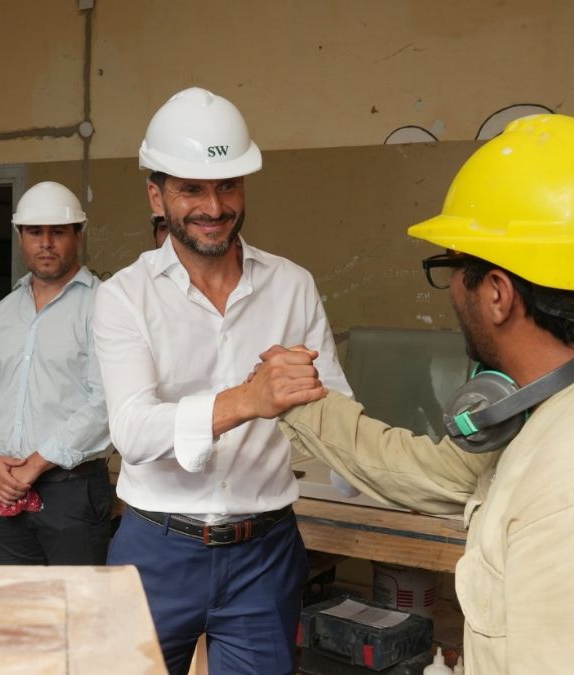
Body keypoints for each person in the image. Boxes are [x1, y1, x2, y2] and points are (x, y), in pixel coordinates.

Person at [250, 115, 574, 674]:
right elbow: (433, 473)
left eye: (452, 266)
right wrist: (302, 403)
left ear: (498, 294)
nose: (451, 286)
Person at [92, 87, 351, 675]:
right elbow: (133, 430)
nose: (214, 206)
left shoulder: (292, 285)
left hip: (265, 553)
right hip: (154, 551)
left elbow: (334, 403)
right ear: (156, 195)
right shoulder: (123, 297)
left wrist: (379, 470)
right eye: (192, 189)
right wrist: (248, 399)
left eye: (228, 185)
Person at [0, 181, 111, 566]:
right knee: (13, 610)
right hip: (4, 489)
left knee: (76, 611)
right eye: (35, 232)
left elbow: (105, 404)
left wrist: (33, 465)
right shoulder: (5, 311)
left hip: (72, 493)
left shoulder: (103, 306)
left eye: (58, 231)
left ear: (78, 235)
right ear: (20, 237)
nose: (45, 243)